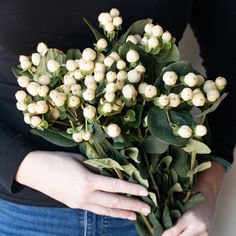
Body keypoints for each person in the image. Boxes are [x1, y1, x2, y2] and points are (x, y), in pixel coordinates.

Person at [0, 1, 235, 235]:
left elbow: (228, 61)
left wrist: (207, 190)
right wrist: (25, 166)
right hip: (23, 211)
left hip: (158, 211)